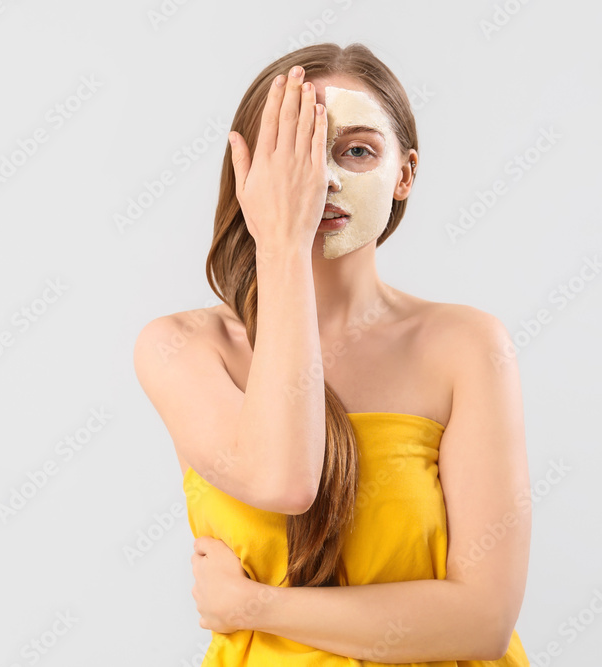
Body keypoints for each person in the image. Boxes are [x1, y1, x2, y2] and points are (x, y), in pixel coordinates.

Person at [133, 42, 531, 665]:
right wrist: (282, 247)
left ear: (404, 175)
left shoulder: (468, 346)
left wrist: (254, 607)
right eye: (295, 151)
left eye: (357, 150)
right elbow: (285, 479)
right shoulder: (182, 347)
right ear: (250, 174)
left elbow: (482, 621)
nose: (322, 178)